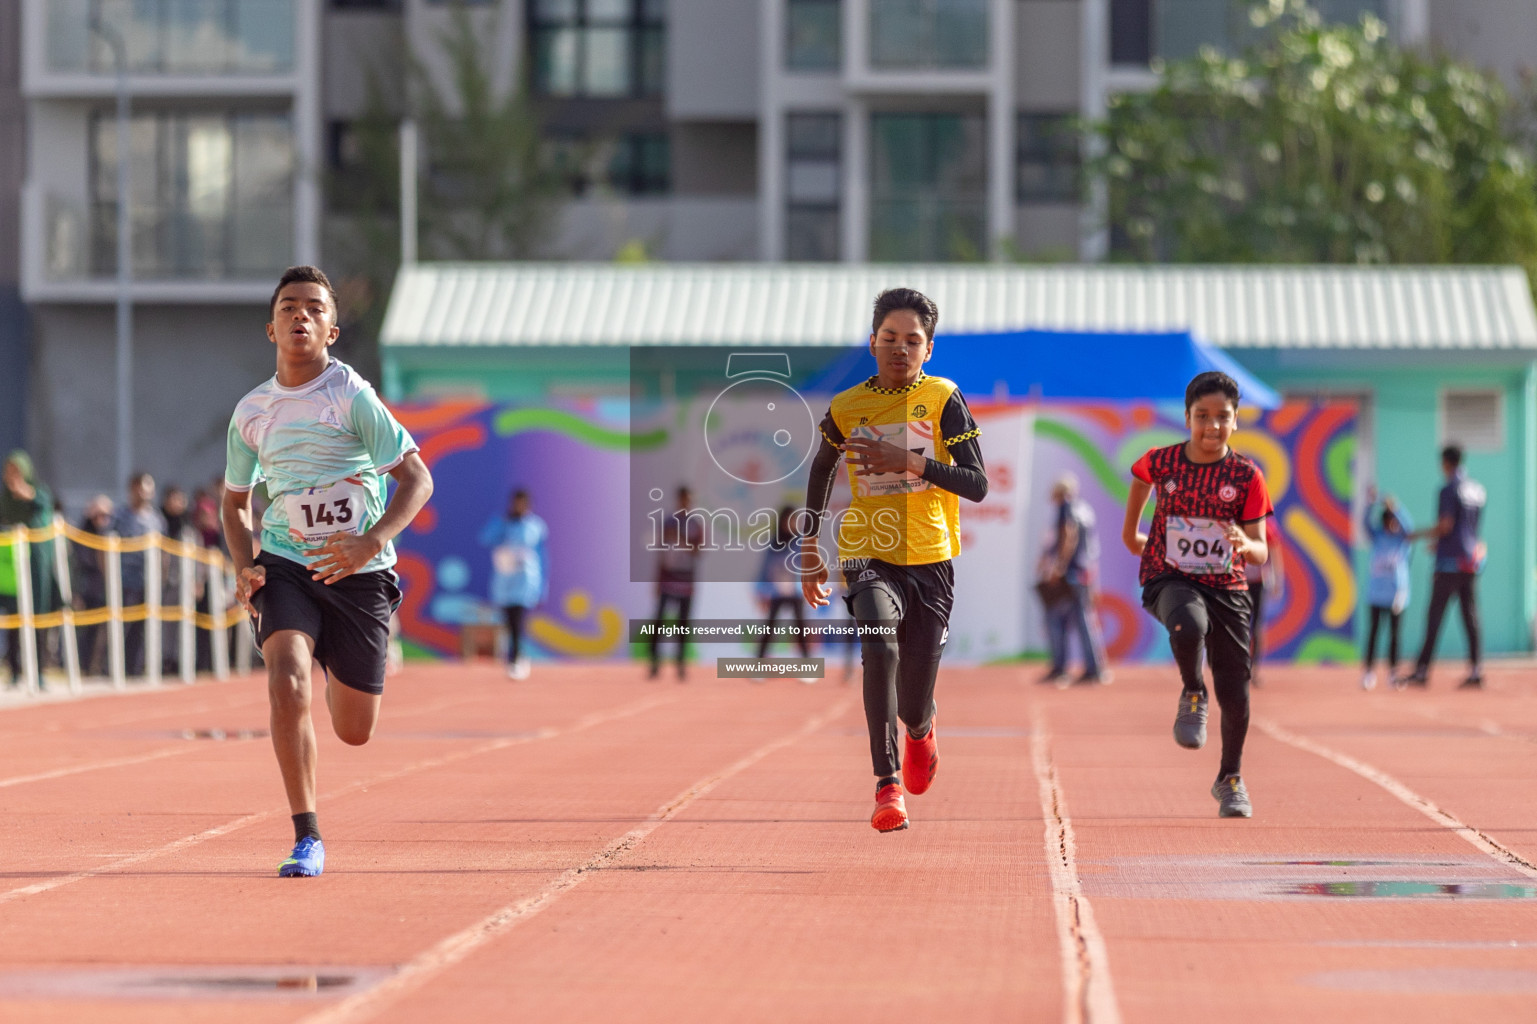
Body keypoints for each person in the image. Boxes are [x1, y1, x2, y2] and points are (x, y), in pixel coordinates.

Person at [222, 265, 433, 878]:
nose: (300, 316)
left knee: (354, 730)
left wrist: (371, 542)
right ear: (271, 327)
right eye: (289, 306)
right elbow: (235, 503)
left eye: (314, 308)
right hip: (286, 565)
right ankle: (306, 835)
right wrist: (244, 565)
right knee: (286, 680)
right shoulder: (252, 412)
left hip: (359, 574)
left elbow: (418, 478)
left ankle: (339, 653)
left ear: (331, 331)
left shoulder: (352, 396)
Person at [801, 287, 988, 832]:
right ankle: (887, 785)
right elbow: (821, 470)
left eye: (912, 341)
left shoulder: (943, 398)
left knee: (913, 699)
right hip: (866, 548)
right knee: (877, 638)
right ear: (872, 342)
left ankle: (921, 728)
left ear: (928, 349)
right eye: (889, 338)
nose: (899, 349)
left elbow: (976, 483)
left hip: (930, 558)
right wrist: (810, 545)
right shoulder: (846, 406)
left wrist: (907, 461)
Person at [1121, 371, 1272, 819]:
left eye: (1222, 417)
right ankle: (1192, 690)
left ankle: (1230, 778)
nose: (1212, 426)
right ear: (1187, 417)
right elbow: (1138, 479)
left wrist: (1246, 546)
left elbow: (1261, 548)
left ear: (1236, 421)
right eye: (1202, 416)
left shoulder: (1245, 476)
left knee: (1236, 690)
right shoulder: (1162, 462)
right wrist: (1133, 533)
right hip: (1170, 577)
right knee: (1189, 625)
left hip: (1227, 588)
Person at [1397, 444, 1486, 689]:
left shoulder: (1448, 489)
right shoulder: (1477, 490)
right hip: (1469, 562)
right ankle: (1477, 669)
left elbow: (1446, 525)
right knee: (1471, 617)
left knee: (1434, 616)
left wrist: (1418, 535)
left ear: (1447, 463)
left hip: (1448, 564)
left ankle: (1422, 670)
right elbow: (1469, 530)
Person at [1038, 474, 1110, 686]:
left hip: (1069, 573)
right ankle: (1094, 668)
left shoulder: (1066, 507)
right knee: (1084, 621)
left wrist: (1057, 566)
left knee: (1055, 619)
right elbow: (1092, 547)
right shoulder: (1085, 510)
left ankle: (1060, 667)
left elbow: (1068, 535)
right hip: (1084, 572)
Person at [0, 451, 59, 687]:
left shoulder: (40, 493)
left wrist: (29, 496)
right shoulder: (4, 499)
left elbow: (44, 518)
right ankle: (14, 671)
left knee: (38, 617)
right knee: (13, 619)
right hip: (11, 568)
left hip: (36, 568)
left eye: (17, 471)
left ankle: (39, 672)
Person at [479, 488, 549, 680]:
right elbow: (485, 539)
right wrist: (501, 524)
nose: (518, 507)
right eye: (515, 503)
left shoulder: (535, 526)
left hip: (525, 581)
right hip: (504, 581)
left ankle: (516, 659)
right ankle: (516, 656)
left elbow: (543, 556)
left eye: (522, 503)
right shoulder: (502, 523)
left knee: (518, 621)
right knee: (508, 622)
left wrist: (543, 587)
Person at [112, 471, 165, 678]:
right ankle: (115, 668)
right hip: (124, 580)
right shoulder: (119, 517)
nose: (145, 492)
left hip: (147, 581)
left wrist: (160, 577)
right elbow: (104, 548)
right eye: (141, 487)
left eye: (148, 487)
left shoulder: (156, 519)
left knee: (142, 628)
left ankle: (136, 669)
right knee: (121, 625)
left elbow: (163, 552)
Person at [1361, 488, 1413, 691]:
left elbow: (1409, 527)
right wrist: (1373, 503)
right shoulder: (1377, 536)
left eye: (1395, 521)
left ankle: (1393, 673)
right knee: (1374, 634)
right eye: (1390, 520)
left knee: (1395, 635)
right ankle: (1368, 672)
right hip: (1376, 595)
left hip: (1396, 596)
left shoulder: (1401, 539)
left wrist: (1396, 507)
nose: (1393, 524)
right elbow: (1365, 522)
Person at [648, 486, 702, 682]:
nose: (687, 504)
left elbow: (698, 552)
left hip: (686, 580)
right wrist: (657, 580)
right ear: (678, 500)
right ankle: (654, 663)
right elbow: (661, 553)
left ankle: (680, 665)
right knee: (659, 623)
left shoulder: (695, 524)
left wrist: (680, 539)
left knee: (682, 626)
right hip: (668, 580)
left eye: (690, 500)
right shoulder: (668, 522)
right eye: (684, 500)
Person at [753, 505, 812, 680]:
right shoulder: (774, 543)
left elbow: (808, 566)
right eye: (787, 520)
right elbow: (764, 570)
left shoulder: (800, 542)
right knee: (769, 629)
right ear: (781, 521)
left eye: (793, 520)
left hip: (796, 593)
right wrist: (762, 591)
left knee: (800, 629)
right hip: (776, 593)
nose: (790, 523)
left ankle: (807, 669)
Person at [73, 495, 115, 676]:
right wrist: (77, 593)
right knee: (86, 632)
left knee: (106, 631)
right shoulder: (82, 537)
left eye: (105, 515)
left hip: (107, 590)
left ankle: (100, 667)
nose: (102, 519)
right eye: (98, 514)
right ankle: (84, 667)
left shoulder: (111, 535)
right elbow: (77, 566)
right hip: (87, 590)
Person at [1245, 528, 1283, 687]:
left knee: (1257, 626)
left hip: (1259, 582)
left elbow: (1274, 553)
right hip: (1240, 581)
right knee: (1240, 625)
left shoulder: (1267, 526)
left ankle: (1254, 669)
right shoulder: (1237, 518)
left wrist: (1277, 581)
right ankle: (1241, 668)